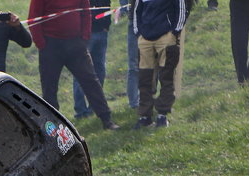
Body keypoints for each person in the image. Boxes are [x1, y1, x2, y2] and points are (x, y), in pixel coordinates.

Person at [28, 0, 120, 129]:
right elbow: (33, 18)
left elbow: (85, 12)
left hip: (76, 44)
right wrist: (42, 44)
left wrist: (85, 37)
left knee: (91, 81)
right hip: (50, 46)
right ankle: (52, 126)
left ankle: (106, 119)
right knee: (49, 88)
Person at [132, 0, 187, 128]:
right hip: (144, 38)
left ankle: (162, 115)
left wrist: (174, 32)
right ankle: (145, 116)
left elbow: (181, 9)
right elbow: (136, 11)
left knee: (166, 77)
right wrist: (138, 33)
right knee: (144, 80)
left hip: (166, 37)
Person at [72, 5, 110, 118]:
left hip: (101, 32)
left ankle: (94, 107)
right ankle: (81, 110)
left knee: (100, 70)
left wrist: (106, 25)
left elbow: (107, 4)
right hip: (83, 34)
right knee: (80, 70)